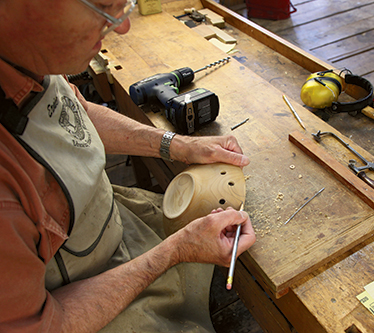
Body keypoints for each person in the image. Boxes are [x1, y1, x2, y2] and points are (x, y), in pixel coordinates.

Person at [0, 0, 256, 332]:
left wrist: (177, 145)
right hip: (77, 306)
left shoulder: (27, 50)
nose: (122, 27)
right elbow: (45, 324)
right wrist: (175, 252)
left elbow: (75, 113)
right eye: (105, 7)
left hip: (110, 219)